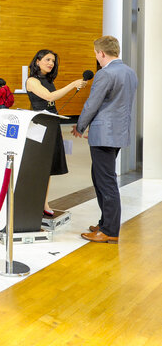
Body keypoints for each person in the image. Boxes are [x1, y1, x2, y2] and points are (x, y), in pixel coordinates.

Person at [72, 36, 137, 244]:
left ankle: (109, 230)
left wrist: (80, 126)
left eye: (96, 54)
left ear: (101, 53)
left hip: (103, 135)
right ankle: (105, 222)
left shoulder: (105, 74)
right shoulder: (130, 72)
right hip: (119, 133)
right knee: (100, 176)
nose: (97, 58)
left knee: (106, 181)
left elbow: (93, 104)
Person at [26, 49, 86, 216]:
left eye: (53, 61)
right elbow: (49, 97)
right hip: (39, 126)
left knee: (47, 167)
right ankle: (33, 202)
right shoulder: (32, 80)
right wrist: (72, 84)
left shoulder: (48, 80)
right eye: (47, 59)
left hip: (52, 124)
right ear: (37, 61)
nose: (51, 63)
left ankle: (43, 202)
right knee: (38, 166)